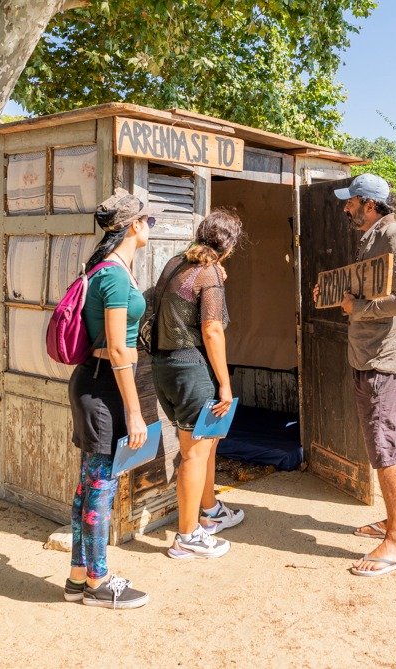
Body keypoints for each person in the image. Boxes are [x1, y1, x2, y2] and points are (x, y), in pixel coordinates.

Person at [316, 173, 396, 577]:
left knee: (383, 445)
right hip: (369, 354)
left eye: (351, 202)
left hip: (385, 357)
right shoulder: (370, 239)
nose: (345, 207)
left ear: (369, 203)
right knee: (392, 438)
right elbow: (362, 291)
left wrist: (356, 309)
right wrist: (334, 297)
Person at [64, 188, 153, 609]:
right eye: (147, 220)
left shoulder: (107, 268)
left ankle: (79, 576)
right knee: (100, 488)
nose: (149, 226)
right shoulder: (114, 275)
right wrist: (134, 413)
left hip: (94, 384)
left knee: (89, 486)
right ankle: (99, 583)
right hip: (103, 386)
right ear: (133, 226)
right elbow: (118, 349)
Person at [150, 209, 246, 559]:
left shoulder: (176, 263)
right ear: (230, 246)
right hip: (192, 368)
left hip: (164, 367)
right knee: (194, 453)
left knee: (204, 444)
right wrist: (225, 384)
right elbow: (211, 329)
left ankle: (210, 512)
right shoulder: (208, 274)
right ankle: (187, 536)